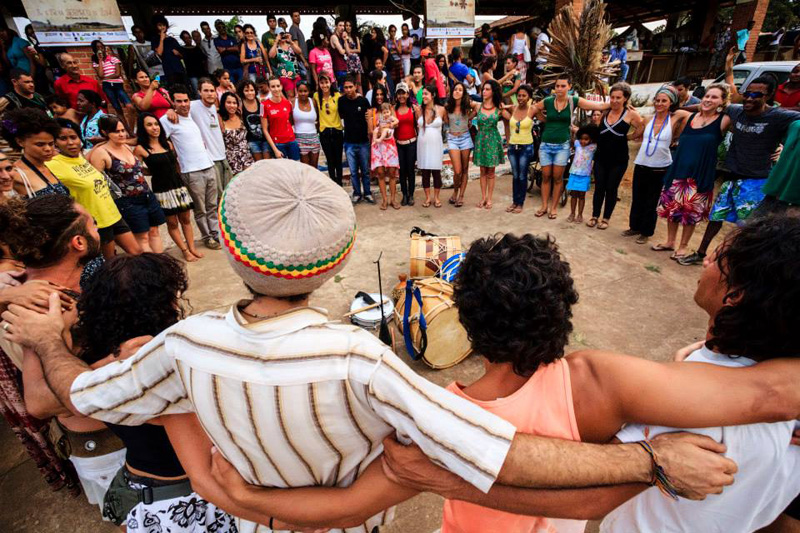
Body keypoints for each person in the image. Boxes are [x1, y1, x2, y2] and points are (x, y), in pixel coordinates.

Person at [11, 164, 799, 533]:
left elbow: (83, 398)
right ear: (333, 261)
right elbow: (501, 454)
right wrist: (649, 460)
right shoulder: (366, 362)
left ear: (225, 244)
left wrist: (48, 341)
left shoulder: (177, 346)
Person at [371, 223, 800, 533]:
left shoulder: (446, 407)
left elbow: (591, 499)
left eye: (716, 259)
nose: (706, 260)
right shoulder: (593, 380)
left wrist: (448, 480)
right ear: (562, 311)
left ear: (467, 321)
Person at [603, 215, 800, 532]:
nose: (705, 259)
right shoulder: (792, 407)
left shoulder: (682, 408)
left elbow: (588, 482)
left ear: (734, 295)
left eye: (717, 259)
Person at [71, 254, 237, 532]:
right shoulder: (166, 372)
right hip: (180, 498)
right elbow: (204, 475)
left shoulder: (92, 364)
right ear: (167, 303)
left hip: (132, 484)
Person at [0, 194, 126, 514]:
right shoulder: (45, 305)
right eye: (92, 222)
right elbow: (40, 402)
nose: (98, 225)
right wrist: (123, 365)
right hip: (106, 450)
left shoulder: (50, 288)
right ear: (79, 242)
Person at [678, 51, 800, 266]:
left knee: (747, 227)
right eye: (748, 93)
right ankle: (700, 253)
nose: (750, 98)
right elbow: (709, 104)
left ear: (768, 97)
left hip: (756, 180)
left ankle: (735, 263)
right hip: (732, 175)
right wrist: (676, 108)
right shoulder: (736, 111)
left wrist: (783, 147)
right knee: (716, 217)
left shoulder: (778, 116)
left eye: (757, 95)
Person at [654, 84, 730, 259]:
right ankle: (670, 241)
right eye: (707, 96)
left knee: (690, 213)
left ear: (722, 101)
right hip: (678, 169)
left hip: (699, 174)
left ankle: (683, 246)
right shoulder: (690, 118)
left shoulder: (724, 120)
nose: (709, 100)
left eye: (714, 97)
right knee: (673, 210)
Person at [49, 118, 141, 259]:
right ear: (55, 142)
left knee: (137, 253)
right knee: (111, 264)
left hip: (113, 215)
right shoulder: (53, 164)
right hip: (96, 223)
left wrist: (100, 144)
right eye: (63, 139)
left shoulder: (81, 158)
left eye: (74, 137)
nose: (70, 142)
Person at [531, 74, 610, 219]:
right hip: (546, 145)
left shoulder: (574, 100)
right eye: (557, 86)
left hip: (562, 145)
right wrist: (544, 119)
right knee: (546, 176)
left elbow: (597, 106)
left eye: (563, 86)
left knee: (558, 177)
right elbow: (534, 108)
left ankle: (553, 208)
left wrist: (617, 103)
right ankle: (544, 206)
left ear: (569, 87)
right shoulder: (548, 101)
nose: (559, 89)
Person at [89, 115, 166, 253]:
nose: (121, 134)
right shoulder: (101, 153)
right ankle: (152, 270)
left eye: (123, 130)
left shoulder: (125, 145)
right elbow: (97, 182)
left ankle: (162, 265)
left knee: (154, 231)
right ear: (105, 133)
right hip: (128, 201)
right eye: (117, 132)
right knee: (142, 238)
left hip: (147, 195)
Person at [132, 112, 201, 262]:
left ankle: (192, 247)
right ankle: (184, 250)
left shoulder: (167, 144)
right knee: (172, 222)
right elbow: (136, 169)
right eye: (149, 125)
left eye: (156, 124)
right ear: (143, 129)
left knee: (186, 219)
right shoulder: (140, 149)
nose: (154, 128)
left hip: (177, 185)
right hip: (161, 189)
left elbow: (174, 164)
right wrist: (151, 171)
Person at [159, 85, 221, 250]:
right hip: (191, 171)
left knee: (212, 205)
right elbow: (159, 141)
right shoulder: (167, 120)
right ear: (173, 102)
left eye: (186, 100)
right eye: (179, 101)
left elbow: (205, 101)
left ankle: (216, 233)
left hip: (208, 165)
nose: (183, 104)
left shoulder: (193, 113)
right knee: (200, 209)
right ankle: (207, 237)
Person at [623, 87, 685, 245]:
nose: (659, 103)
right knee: (638, 198)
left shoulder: (674, 119)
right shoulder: (648, 118)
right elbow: (636, 135)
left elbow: (689, 113)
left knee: (652, 201)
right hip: (642, 163)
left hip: (661, 166)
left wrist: (681, 106)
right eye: (657, 100)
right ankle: (634, 226)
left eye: (664, 101)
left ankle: (646, 231)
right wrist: (618, 136)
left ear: (671, 103)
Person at [588, 82, 643, 229]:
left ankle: (605, 218)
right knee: (599, 187)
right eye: (612, 97)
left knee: (611, 188)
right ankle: (594, 215)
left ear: (625, 98)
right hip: (600, 158)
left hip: (618, 160)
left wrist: (629, 137)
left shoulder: (631, 114)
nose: (614, 101)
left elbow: (641, 128)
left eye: (618, 98)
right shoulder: (605, 112)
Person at [2, 109, 70, 198]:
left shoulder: (50, 166)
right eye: (40, 144)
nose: (48, 149)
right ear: (20, 142)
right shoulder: (15, 174)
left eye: (51, 144)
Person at [187, 78, 233, 194]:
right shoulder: (192, 106)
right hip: (209, 159)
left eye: (212, 91)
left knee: (228, 193)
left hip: (222, 156)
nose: (210, 94)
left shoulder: (213, 107)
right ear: (199, 92)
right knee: (217, 195)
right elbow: (177, 111)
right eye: (206, 90)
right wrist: (171, 112)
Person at [502, 84, 537, 214]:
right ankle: (514, 202)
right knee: (515, 175)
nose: (521, 98)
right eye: (519, 95)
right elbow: (501, 110)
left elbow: (544, 118)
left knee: (522, 176)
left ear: (529, 97)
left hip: (526, 147)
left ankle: (520, 203)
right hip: (512, 147)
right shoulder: (513, 108)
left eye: (524, 95)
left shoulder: (532, 109)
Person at [339, 75, 374, 203]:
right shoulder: (341, 101)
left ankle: (368, 193)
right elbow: (341, 116)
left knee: (365, 171)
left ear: (355, 86)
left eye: (350, 87)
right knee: (353, 172)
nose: (348, 90)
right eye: (346, 87)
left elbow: (369, 119)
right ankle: (357, 193)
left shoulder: (363, 101)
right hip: (348, 142)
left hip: (363, 142)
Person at [445, 81, 478, 208]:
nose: (457, 91)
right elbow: (445, 120)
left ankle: (461, 196)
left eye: (460, 90)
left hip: (465, 137)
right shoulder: (448, 106)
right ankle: (455, 192)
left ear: (463, 93)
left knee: (465, 169)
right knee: (457, 171)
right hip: (453, 138)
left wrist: (470, 117)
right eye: (455, 89)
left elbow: (478, 107)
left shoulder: (467, 104)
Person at [473, 80, 505, 210]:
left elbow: (512, 116)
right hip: (481, 139)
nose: (484, 91)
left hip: (492, 140)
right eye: (483, 89)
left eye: (487, 89)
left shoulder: (499, 108)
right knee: (482, 170)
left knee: (491, 171)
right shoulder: (477, 106)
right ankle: (483, 197)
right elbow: (464, 111)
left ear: (493, 92)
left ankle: (489, 198)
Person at [90, 40, 133, 129]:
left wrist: (105, 79)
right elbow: (101, 75)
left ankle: (132, 127)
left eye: (101, 47)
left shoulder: (113, 59)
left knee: (129, 106)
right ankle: (128, 130)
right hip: (107, 87)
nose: (100, 49)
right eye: (98, 48)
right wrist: (100, 60)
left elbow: (117, 74)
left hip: (118, 85)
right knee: (117, 109)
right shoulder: (96, 62)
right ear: (95, 50)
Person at [416, 85, 446, 208]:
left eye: (426, 94)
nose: (423, 96)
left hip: (436, 145)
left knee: (436, 171)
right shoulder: (418, 110)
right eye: (423, 94)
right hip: (423, 145)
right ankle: (428, 197)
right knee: (425, 172)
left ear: (433, 95)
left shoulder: (441, 109)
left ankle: (437, 197)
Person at [314, 73, 345, 185]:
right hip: (324, 131)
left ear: (330, 83)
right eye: (321, 83)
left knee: (338, 160)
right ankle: (333, 183)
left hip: (337, 130)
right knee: (330, 160)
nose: (324, 85)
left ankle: (340, 183)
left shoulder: (337, 96)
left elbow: (342, 112)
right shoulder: (316, 96)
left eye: (326, 82)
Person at [370, 99, 400, 210]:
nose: (379, 97)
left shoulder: (391, 116)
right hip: (379, 148)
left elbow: (396, 123)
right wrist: (378, 131)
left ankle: (393, 199)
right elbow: (374, 130)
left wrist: (391, 124)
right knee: (380, 173)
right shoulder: (376, 116)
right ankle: (384, 200)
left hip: (390, 147)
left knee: (392, 173)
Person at [566, 124, 599, 223]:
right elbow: (574, 134)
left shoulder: (593, 147)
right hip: (574, 173)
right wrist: (573, 129)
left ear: (591, 139)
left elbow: (598, 137)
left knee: (581, 196)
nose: (583, 141)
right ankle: (572, 213)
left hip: (585, 175)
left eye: (586, 139)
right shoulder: (577, 143)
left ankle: (580, 214)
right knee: (573, 195)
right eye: (581, 138)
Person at [261, 76, 300, 160]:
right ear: (269, 88)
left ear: (281, 86)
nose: (276, 89)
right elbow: (264, 129)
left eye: (278, 86)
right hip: (278, 144)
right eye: (273, 86)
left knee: (295, 170)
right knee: (283, 172)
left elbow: (290, 121)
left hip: (292, 141)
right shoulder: (264, 105)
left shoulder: (288, 103)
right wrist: (275, 150)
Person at [218, 92, 255, 175]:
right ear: (223, 103)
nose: (232, 105)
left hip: (246, 155)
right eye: (229, 102)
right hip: (232, 159)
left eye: (234, 103)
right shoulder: (220, 118)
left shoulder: (240, 115)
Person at [394, 82, 417, 206]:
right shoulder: (393, 109)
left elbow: (418, 127)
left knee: (410, 170)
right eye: (399, 93)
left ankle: (411, 194)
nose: (401, 96)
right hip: (398, 144)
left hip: (411, 143)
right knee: (402, 171)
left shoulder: (413, 108)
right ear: (396, 95)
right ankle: (404, 194)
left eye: (403, 93)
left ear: (408, 94)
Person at [151, 15, 187, 88]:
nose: (162, 27)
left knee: (184, 87)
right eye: (159, 25)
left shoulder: (172, 39)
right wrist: (161, 39)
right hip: (168, 69)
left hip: (179, 68)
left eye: (164, 25)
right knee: (173, 88)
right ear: (156, 26)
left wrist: (178, 53)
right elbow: (159, 53)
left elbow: (183, 55)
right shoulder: (155, 39)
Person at [237, 79, 268, 161]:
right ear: (242, 92)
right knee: (259, 165)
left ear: (255, 91)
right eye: (246, 90)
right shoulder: (240, 104)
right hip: (252, 140)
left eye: (252, 90)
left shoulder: (261, 101)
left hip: (265, 139)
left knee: (268, 164)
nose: (250, 92)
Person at [293, 81, 321, 169]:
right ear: (297, 91)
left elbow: (318, 119)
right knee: (305, 168)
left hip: (314, 137)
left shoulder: (313, 102)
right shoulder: (293, 103)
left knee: (314, 168)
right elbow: (290, 121)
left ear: (309, 91)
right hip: (300, 138)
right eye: (300, 91)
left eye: (305, 91)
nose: (303, 93)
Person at [269, 31, 301, 98]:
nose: (282, 36)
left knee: (299, 95)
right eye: (280, 35)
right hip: (285, 76)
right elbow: (271, 55)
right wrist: (276, 41)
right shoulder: (276, 48)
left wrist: (291, 41)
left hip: (296, 74)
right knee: (291, 96)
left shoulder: (291, 46)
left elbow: (299, 52)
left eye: (283, 34)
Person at [214, 20, 243, 84]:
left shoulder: (232, 38)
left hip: (238, 66)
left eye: (223, 27)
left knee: (241, 84)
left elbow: (237, 49)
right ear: (217, 29)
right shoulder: (216, 40)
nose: (222, 29)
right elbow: (220, 51)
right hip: (228, 69)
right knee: (231, 85)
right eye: (219, 27)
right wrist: (231, 48)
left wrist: (225, 49)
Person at [178, 31, 206, 96]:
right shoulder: (182, 49)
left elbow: (203, 60)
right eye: (185, 38)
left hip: (201, 73)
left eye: (189, 38)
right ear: (183, 39)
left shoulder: (197, 48)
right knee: (197, 92)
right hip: (192, 74)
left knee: (204, 90)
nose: (188, 40)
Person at [343, 21, 363, 90]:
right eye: (347, 25)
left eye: (350, 25)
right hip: (349, 61)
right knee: (351, 82)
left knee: (359, 82)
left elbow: (359, 50)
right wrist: (355, 50)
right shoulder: (344, 37)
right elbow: (347, 51)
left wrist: (352, 50)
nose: (348, 27)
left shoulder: (355, 37)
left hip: (356, 60)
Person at [329, 19, 349, 89]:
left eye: (343, 26)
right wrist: (345, 50)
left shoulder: (342, 38)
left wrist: (345, 40)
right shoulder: (334, 37)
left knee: (345, 89)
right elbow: (342, 51)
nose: (342, 28)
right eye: (340, 25)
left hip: (344, 66)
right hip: (338, 68)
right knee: (341, 89)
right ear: (336, 26)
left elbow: (348, 52)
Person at [289, 12, 308, 78]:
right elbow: (296, 47)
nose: (298, 17)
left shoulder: (297, 29)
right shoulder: (293, 29)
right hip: (300, 60)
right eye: (295, 16)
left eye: (298, 16)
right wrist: (304, 61)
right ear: (291, 18)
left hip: (303, 59)